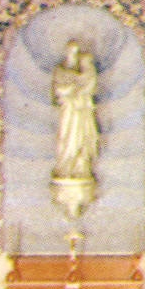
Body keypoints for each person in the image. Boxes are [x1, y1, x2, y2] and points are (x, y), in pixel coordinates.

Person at [51, 38, 100, 186]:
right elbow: (59, 89)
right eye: (70, 52)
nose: (73, 55)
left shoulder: (84, 75)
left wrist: (76, 89)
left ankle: (80, 167)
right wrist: (72, 89)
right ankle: (66, 167)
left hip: (80, 112)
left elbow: (88, 87)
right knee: (66, 138)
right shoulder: (60, 71)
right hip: (68, 111)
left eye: (76, 53)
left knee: (80, 138)